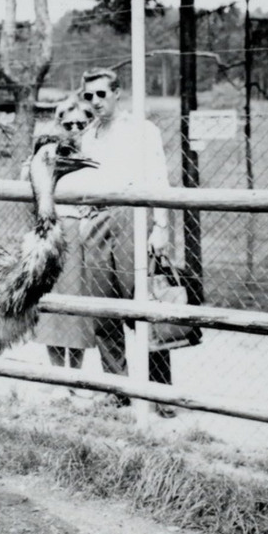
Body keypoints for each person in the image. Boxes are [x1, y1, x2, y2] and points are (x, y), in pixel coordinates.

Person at [62, 67, 176, 416]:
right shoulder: (90, 135)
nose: (95, 102)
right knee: (103, 309)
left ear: (117, 93)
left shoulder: (142, 130)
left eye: (101, 94)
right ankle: (118, 386)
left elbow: (158, 177)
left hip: (133, 215)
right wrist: (84, 221)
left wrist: (161, 226)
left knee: (143, 304)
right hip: (96, 219)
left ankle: (161, 393)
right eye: (89, 96)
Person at [27, 97, 100, 372]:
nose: (74, 128)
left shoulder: (93, 152)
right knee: (50, 302)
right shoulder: (51, 151)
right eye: (67, 123)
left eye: (81, 123)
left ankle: (76, 373)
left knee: (77, 305)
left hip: (80, 231)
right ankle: (58, 372)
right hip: (53, 229)